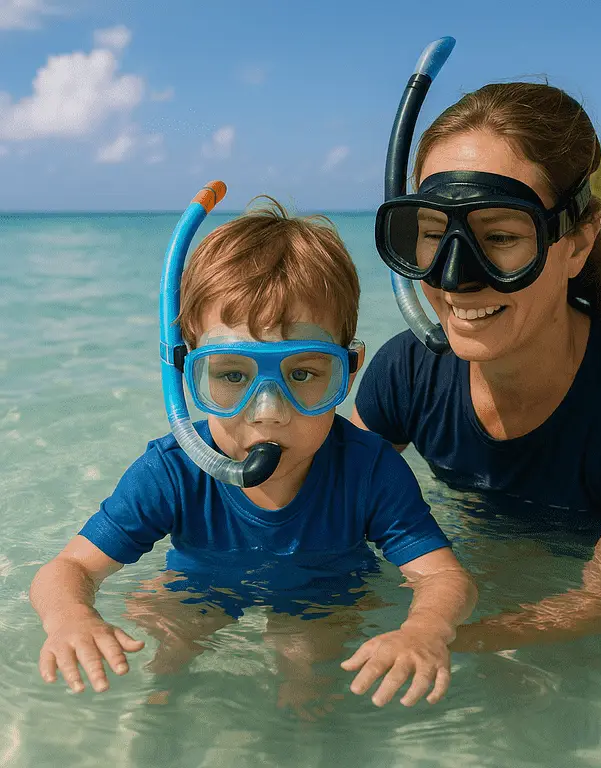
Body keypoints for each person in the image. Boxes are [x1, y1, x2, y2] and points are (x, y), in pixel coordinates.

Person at [30, 198, 476, 707]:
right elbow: (67, 570)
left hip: (324, 595)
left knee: (309, 670)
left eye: (303, 375)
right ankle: (156, 729)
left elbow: (443, 576)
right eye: (232, 376)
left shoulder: (369, 470)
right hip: (201, 588)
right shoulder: (174, 470)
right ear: (187, 375)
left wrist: (424, 630)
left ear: (348, 371)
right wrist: (72, 618)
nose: (267, 411)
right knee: (168, 649)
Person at [352, 79, 601, 652]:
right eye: (431, 236)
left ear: (576, 243)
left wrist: (433, 640)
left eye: (500, 236)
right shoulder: (408, 371)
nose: (454, 277)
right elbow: (323, 487)